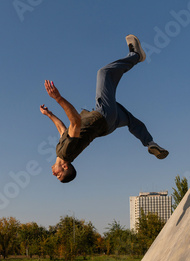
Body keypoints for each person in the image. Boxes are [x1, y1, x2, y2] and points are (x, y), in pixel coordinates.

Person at [40, 34, 169, 183]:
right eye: (58, 175)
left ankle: (149, 143)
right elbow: (75, 121)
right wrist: (58, 98)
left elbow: (62, 129)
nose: (53, 174)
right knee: (104, 73)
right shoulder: (67, 153)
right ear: (65, 167)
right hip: (103, 115)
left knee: (129, 120)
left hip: (106, 127)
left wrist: (49, 114)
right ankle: (136, 55)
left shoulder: (61, 151)